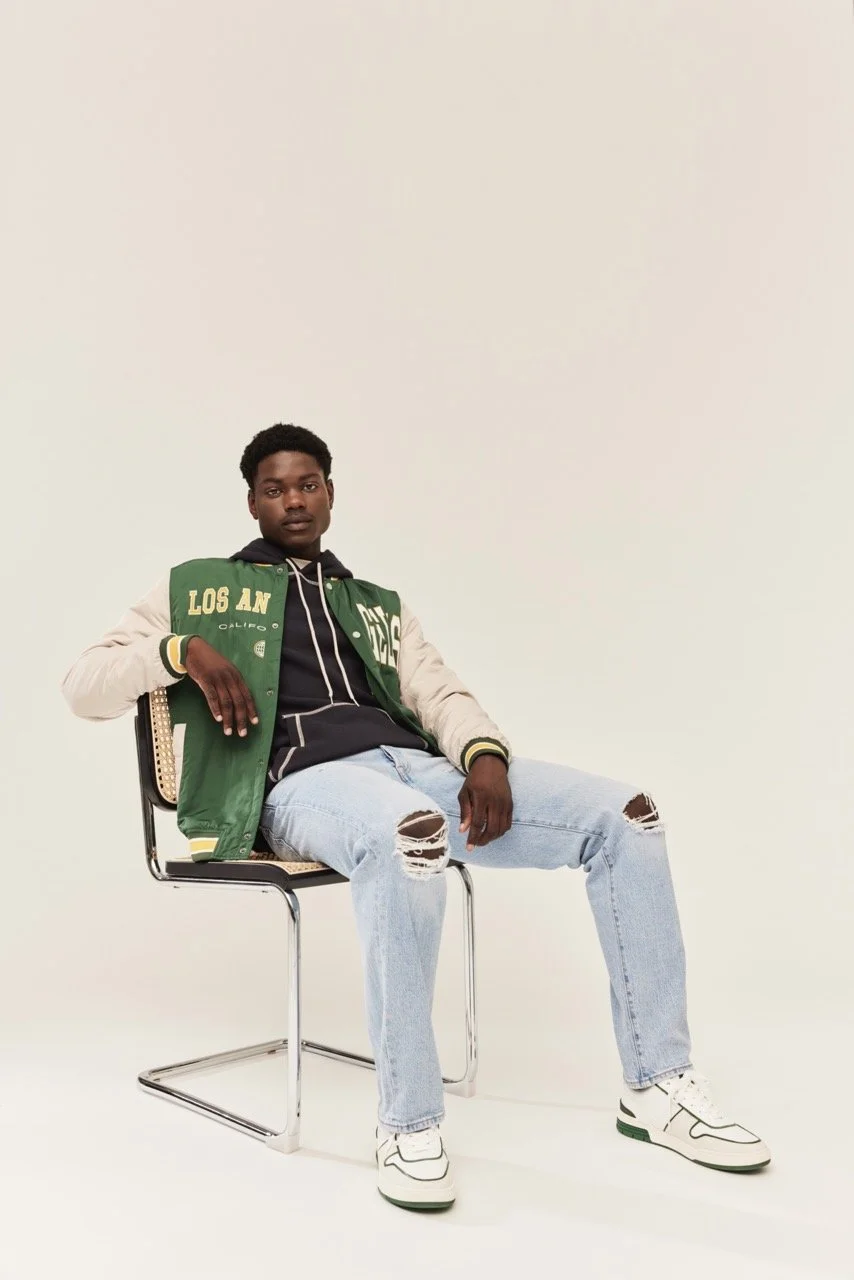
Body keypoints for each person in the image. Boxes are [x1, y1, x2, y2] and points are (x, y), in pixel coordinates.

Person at [62, 423, 771, 1209]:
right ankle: (407, 1123)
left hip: (418, 770)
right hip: (302, 784)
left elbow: (438, 691)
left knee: (627, 816)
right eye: (274, 488)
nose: (293, 500)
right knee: (411, 833)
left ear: (331, 493)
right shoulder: (195, 588)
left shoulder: (376, 604)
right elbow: (83, 685)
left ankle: (658, 1086)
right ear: (252, 503)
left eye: (307, 484)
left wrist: (484, 755)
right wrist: (180, 650)